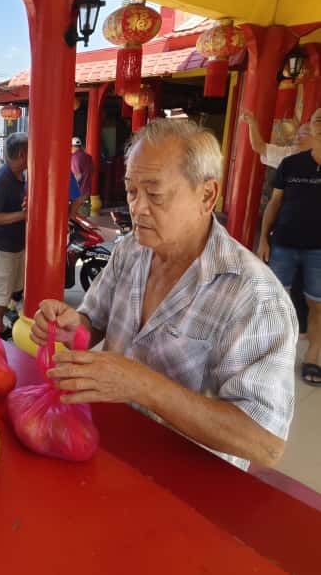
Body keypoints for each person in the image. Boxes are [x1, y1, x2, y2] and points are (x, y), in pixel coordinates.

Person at [32, 118, 296, 469]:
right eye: (131, 191)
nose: (137, 207)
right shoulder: (130, 250)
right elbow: (92, 322)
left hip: (189, 480)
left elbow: (265, 443)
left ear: (207, 196)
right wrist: (72, 327)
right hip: (108, 446)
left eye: (154, 194)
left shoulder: (254, 296)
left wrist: (142, 385)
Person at [258, 107, 321, 385]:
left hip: (319, 250)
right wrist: (263, 239)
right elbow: (274, 203)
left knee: (317, 305)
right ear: (311, 125)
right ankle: (270, 354)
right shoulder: (292, 164)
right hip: (283, 243)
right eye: (318, 119)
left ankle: (313, 357)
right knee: (273, 301)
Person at [0, 132, 28, 335]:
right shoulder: (1, 179)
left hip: (15, 246)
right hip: (1, 248)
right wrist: (23, 215)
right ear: (22, 153)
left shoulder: (20, 176)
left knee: (7, 293)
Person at [239, 109, 313, 169]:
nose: (297, 138)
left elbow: (258, 146)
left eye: (303, 135)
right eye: (297, 135)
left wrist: (252, 122)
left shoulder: (292, 154)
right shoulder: (295, 151)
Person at [71, 136, 94, 215]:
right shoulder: (89, 157)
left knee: (74, 218)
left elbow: (78, 176)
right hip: (87, 192)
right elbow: (92, 172)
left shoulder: (74, 158)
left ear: (72, 146)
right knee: (84, 219)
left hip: (78, 194)